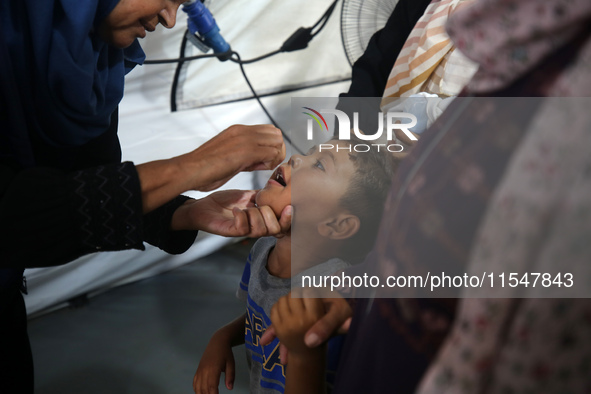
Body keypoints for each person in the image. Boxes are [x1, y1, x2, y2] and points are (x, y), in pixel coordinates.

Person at [266, 0, 591, 393]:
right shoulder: (509, 64)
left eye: (314, 163)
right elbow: (372, 72)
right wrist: (360, 288)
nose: (295, 158)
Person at [0, 1, 290, 392]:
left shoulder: (94, 64)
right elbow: (16, 216)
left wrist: (183, 213)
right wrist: (195, 165)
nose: (170, 19)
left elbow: (84, 183)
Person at [192, 137, 396, 394]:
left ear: (337, 225)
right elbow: (263, 316)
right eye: (309, 153)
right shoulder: (263, 249)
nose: (296, 158)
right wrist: (222, 337)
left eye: (319, 165)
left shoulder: (333, 296)